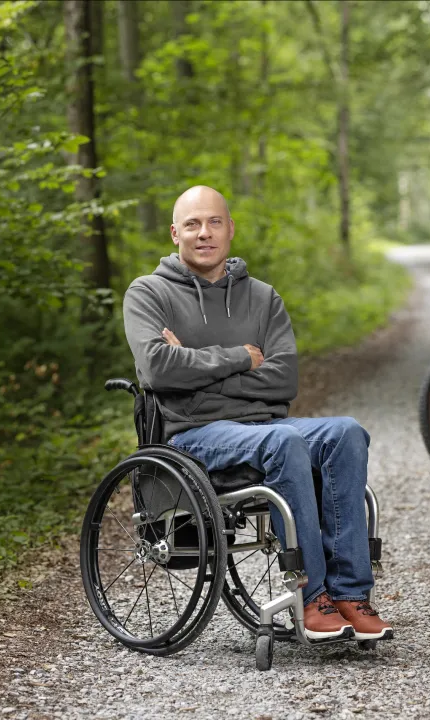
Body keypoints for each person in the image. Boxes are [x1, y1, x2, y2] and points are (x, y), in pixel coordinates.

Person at [122, 185, 391, 643]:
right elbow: (158, 369)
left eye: (214, 222)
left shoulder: (263, 298)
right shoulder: (148, 294)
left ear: (230, 229)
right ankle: (312, 597)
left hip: (264, 426)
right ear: (174, 233)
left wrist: (195, 364)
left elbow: (284, 380)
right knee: (284, 442)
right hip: (194, 434)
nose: (203, 233)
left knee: (345, 432)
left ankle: (351, 594)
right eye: (192, 224)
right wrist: (242, 357)